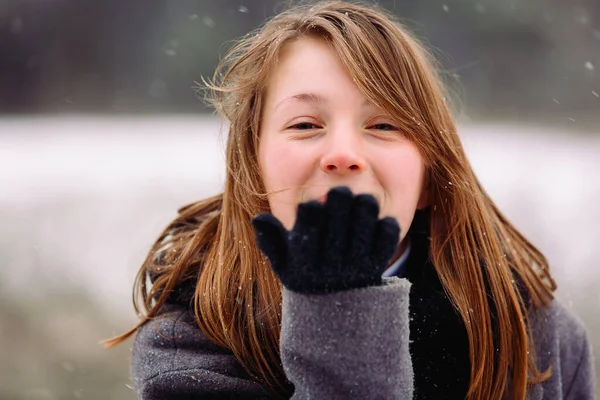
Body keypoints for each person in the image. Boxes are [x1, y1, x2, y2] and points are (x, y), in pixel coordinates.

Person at [104, 1, 595, 399]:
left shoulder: (534, 338)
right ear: (253, 167)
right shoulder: (192, 342)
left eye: (383, 124)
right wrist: (340, 316)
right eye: (305, 125)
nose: (342, 154)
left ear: (429, 176)